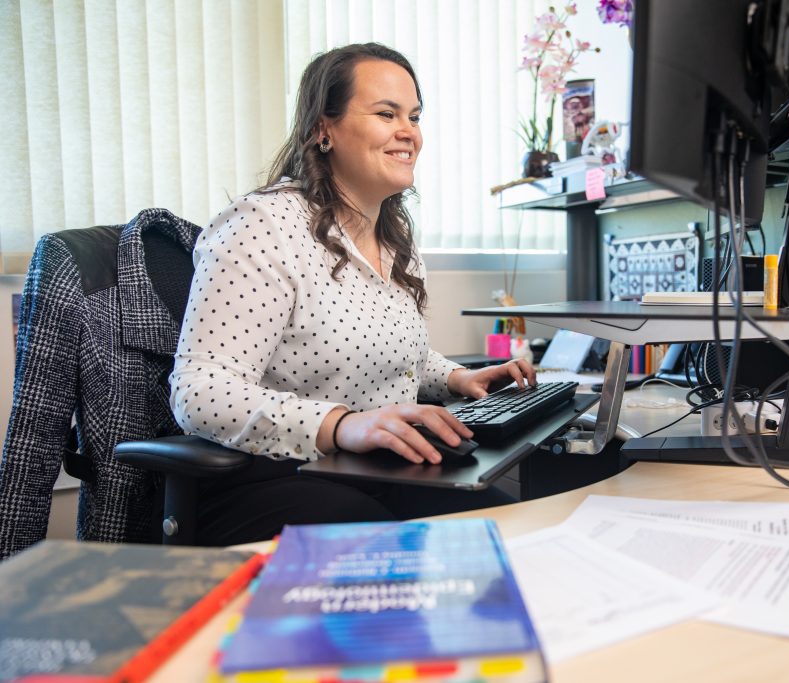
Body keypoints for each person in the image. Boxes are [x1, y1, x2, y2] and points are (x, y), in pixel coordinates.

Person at [170, 43, 535, 545]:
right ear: (324, 129)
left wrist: (457, 377)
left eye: (414, 115)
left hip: (371, 470)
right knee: (432, 547)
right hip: (276, 476)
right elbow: (200, 390)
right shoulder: (263, 226)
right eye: (386, 114)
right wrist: (341, 425)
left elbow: (385, 350)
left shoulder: (394, 241)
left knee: (509, 523)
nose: (409, 131)